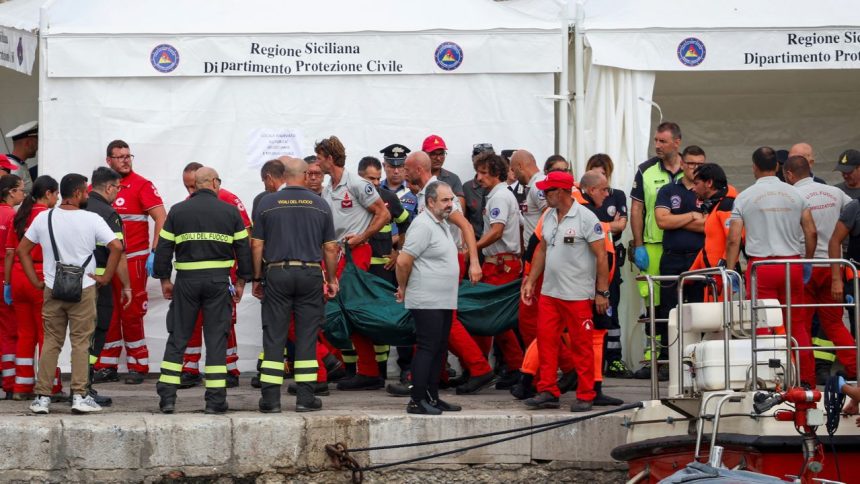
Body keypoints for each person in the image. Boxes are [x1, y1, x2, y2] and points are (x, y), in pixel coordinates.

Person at [21, 173, 123, 414]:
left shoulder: (44, 218)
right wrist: (106, 277)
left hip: (52, 288)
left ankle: (42, 398)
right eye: (85, 191)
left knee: (51, 342)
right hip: (84, 289)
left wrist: (36, 280)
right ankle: (79, 396)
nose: (87, 195)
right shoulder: (92, 219)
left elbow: (23, 251)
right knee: (81, 343)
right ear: (77, 194)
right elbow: (117, 247)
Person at [153, 167, 251, 414]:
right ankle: (216, 400)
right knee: (217, 338)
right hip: (218, 282)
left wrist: (165, 279)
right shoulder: (229, 212)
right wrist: (241, 282)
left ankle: (167, 398)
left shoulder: (178, 211)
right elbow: (244, 250)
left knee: (178, 337)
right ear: (215, 183)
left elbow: (163, 248)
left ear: (195, 184)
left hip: (186, 281)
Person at [252, 157, 339, 413]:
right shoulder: (320, 204)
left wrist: (257, 278)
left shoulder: (267, 202)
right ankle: (305, 398)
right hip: (310, 274)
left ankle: (270, 400)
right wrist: (331, 279)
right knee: (307, 335)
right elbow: (331, 248)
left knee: (274, 335)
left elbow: (256, 244)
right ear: (303, 175)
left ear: (284, 175)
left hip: (277, 273)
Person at [403, 151, 494, 395]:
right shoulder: (426, 193)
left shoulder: (438, 194)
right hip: (440, 259)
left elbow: (464, 224)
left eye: (406, 168)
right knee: (436, 326)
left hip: (445, 259)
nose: (403, 172)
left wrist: (474, 261)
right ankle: (434, 377)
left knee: (444, 323)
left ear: (418, 169)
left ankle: (478, 367)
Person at [726, 147, 818, 387]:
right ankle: (806, 379)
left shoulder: (745, 196)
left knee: (764, 324)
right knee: (797, 323)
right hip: (792, 264)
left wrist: (728, 269)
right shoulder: (796, 195)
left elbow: (734, 238)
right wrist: (807, 261)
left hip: (762, 267)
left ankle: (770, 380)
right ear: (777, 167)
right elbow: (811, 231)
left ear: (754, 167)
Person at [521, 170, 609, 412]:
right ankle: (547, 390)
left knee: (582, 345)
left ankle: (586, 393)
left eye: (547, 190)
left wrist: (602, 292)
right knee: (548, 342)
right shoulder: (549, 215)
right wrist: (530, 280)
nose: (543, 194)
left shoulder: (586, 218)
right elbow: (541, 249)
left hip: (577, 294)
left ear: (560, 192)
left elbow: (602, 256)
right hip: (550, 292)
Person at [316, 135, 391, 391]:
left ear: (329, 158)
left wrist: (362, 237)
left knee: (352, 309)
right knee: (342, 311)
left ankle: (367, 371)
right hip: (336, 254)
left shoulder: (358, 183)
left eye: (319, 157)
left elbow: (384, 213)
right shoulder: (328, 188)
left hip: (356, 252)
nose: (316, 162)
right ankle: (357, 369)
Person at [94, 140, 166, 385]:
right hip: (106, 262)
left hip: (133, 260)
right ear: (109, 160)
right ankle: (106, 364)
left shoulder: (142, 185)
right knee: (107, 311)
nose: (126, 160)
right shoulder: (101, 187)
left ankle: (138, 364)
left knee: (131, 312)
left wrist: (155, 251)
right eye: (120, 156)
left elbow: (161, 217)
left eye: (128, 156)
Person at [177, 162, 252, 389]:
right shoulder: (189, 205)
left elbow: (246, 236)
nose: (191, 193)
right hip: (195, 272)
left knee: (224, 322)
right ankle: (190, 368)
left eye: (193, 187)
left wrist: (241, 275)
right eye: (187, 188)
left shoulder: (228, 198)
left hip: (223, 271)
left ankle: (230, 368)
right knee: (192, 321)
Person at [783, 155, 857, 381]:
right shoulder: (835, 193)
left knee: (801, 324)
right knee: (835, 323)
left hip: (805, 265)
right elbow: (853, 211)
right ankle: (856, 371)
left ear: (789, 175)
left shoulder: (792, 195)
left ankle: (804, 378)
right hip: (834, 267)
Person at [396, 181, 462, 415]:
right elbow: (404, 261)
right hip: (426, 299)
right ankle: (416, 400)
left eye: (451, 200)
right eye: (445, 200)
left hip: (443, 299)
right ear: (430, 202)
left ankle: (432, 397)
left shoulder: (441, 223)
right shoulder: (422, 225)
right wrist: (403, 287)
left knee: (440, 349)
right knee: (427, 347)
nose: (450, 204)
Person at [629, 122, 684, 379]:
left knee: (681, 303)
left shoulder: (691, 170)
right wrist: (638, 244)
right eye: (656, 141)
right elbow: (637, 209)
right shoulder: (646, 170)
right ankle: (656, 358)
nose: (657, 146)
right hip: (653, 245)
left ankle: (682, 357)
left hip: (683, 246)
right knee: (653, 304)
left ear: (677, 142)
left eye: (663, 141)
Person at [6, 176, 63, 400]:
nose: (58, 198)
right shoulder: (49, 216)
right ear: (48, 193)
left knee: (24, 334)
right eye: (56, 194)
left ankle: (21, 387)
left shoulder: (19, 215)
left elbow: (11, 252)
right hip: (39, 277)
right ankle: (51, 386)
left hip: (19, 277)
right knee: (47, 335)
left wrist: (8, 284)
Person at [473, 152, 525, 388]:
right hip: (503, 261)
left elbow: (496, 231)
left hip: (500, 264)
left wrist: (472, 248)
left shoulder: (500, 197)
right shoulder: (501, 195)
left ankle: (515, 366)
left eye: (484, 172)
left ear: (496, 173)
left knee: (496, 319)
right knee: (498, 319)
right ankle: (514, 366)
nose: (479, 177)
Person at [654, 145, 707, 370]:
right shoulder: (667, 190)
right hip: (672, 257)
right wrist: (692, 216)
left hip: (699, 258)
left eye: (699, 164)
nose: (695, 168)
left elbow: (708, 225)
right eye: (691, 163)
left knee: (700, 310)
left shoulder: (707, 190)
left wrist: (679, 219)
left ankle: (698, 360)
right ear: (682, 163)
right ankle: (667, 361)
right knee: (669, 310)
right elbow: (662, 221)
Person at [83, 167, 131, 407]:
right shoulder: (107, 213)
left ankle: (75, 386)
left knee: (76, 336)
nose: (117, 193)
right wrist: (127, 286)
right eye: (118, 188)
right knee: (96, 334)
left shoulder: (78, 207)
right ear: (110, 187)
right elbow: (118, 253)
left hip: (71, 282)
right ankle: (85, 387)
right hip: (99, 284)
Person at [577, 170, 624, 405]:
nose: (608, 194)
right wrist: (601, 291)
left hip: (589, 286)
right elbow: (600, 256)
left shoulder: (582, 211)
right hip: (586, 288)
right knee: (566, 335)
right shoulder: (587, 214)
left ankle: (592, 387)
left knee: (594, 335)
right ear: (592, 189)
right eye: (604, 189)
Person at [584, 154, 631, 378]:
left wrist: (604, 225)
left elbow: (621, 226)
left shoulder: (617, 195)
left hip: (612, 264)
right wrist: (608, 225)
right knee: (588, 313)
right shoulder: (581, 201)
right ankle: (591, 362)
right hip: (587, 263)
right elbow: (594, 225)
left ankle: (614, 359)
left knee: (611, 311)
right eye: (596, 171)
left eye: (603, 172)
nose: (600, 177)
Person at [688, 163, 740, 291]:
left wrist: (725, 268)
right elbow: (708, 247)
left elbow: (734, 240)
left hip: (722, 279)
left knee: (722, 311)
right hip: (713, 277)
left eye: (696, 183)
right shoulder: (716, 207)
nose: (693, 188)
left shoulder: (726, 205)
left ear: (709, 183)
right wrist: (688, 276)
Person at [0, 175, 24, 399]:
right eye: (20, 190)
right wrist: (9, 283)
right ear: (10, 192)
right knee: (10, 333)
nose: (23, 195)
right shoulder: (12, 217)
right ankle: (9, 382)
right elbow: (12, 252)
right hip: (4, 278)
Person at [423, 134, 466, 209]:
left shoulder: (453, 179)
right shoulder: (417, 176)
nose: (438, 158)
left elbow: (460, 210)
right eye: (433, 154)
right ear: (424, 154)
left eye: (441, 154)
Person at [379, 144, 418, 219]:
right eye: (392, 166)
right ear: (384, 166)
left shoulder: (415, 191)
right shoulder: (375, 190)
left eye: (400, 166)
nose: (396, 171)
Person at [4, 121, 37, 194]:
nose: (37, 147)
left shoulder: (19, 164)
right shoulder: (12, 167)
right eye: (36, 142)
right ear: (28, 143)